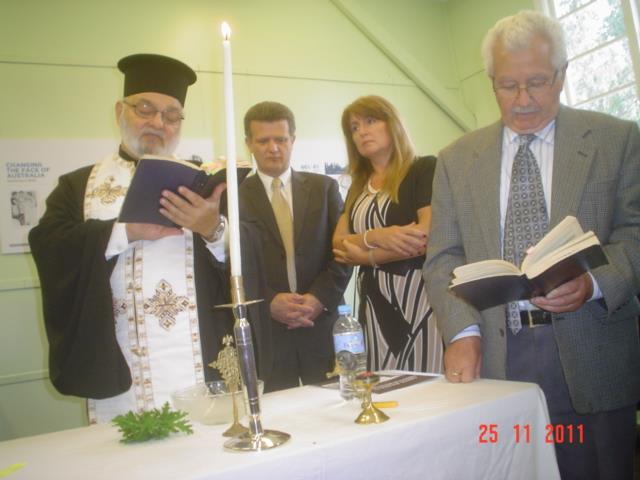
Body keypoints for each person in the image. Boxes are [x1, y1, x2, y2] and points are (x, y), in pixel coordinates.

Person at [424, 11, 640, 479]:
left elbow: (635, 233)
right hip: (499, 354)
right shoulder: (456, 160)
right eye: (507, 86)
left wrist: (594, 282)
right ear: (491, 82)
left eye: (537, 82)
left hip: (591, 349)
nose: (522, 100)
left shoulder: (616, 140)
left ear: (562, 76)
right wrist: (462, 334)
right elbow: (443, 257)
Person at [29, 53, 270, 423]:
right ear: (119, 112)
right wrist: (122, 232)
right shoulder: (79, 186)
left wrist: (213, 228)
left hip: (199, 359)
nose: (158, 123)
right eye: (145, 108)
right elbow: (50, 246)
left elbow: (253, 252)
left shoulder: (206, 184)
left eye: (171, 115)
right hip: (120, 362)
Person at [239, 101, 352, 392]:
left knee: (332, 409)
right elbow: (230, 265)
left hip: (320, 325)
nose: (273, 148)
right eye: (263, 141)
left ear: (293, 141)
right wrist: (267, 302)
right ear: (248, 144)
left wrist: (318, 298)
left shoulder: (324, 188)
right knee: (278, 416)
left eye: (281, 139)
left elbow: (342, 254)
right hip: (267, 333)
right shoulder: (233, 197)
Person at [332, 95, 443, 373]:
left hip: (419, 295)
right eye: (354, 128)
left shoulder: (422, 168)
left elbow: (425, 237)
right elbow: (337, 243)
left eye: (370, 121)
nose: (362, 132)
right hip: (374, 301)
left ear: (392, 124)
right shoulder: (358, 185)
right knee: (384, 386)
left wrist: (366, 257)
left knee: (425, 382)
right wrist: (378, 236)